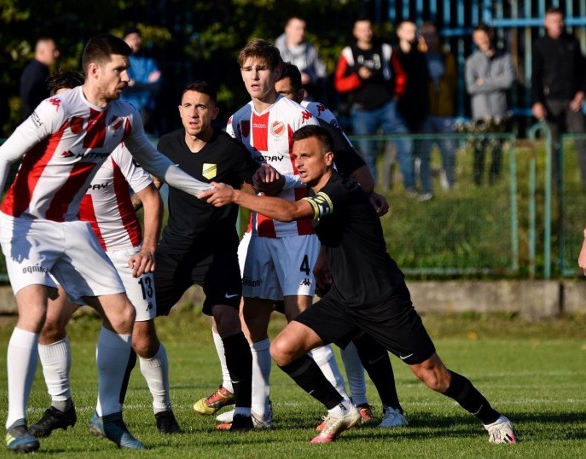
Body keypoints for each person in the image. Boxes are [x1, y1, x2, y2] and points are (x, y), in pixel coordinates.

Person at [200, 124, 517, 445]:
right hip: (344, 301)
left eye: (306, 156)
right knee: (284, 349)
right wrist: (324, 259)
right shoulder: (322, 192)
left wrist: (237, 195)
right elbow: (337, 230)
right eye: (295, 156)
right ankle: (340, 408)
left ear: (328, 158)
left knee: (434, 377)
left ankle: (494, 420)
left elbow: (292, 212)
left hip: (383, 301)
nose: (298, 163)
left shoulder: (341, 190)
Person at [0, 33, 211, 453]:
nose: (127, 78)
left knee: (122, 315)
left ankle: (108, 417)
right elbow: (2, 156)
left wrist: (206, 189)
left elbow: (156, 164)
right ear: (95, 70)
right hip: (24, 222)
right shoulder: (57, 108)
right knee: (35, 313)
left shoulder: (125, 116)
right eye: (120, 70)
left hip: (69, 226)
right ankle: (16, 423)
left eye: (128, 69)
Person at [28, 71, 181, 441]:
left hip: (123, 251)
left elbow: (149, 197)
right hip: (75, 253)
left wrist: (147, 248)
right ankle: (61, 406)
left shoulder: (114, 144)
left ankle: (161, 408)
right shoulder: (42, 152)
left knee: (143, 340)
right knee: (48, 322)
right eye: (61, 104)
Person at [213, 38, 347, 430]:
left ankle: (339, 404)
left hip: (300, 229)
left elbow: (319, 173)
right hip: (260, 229)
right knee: (251, 317)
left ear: (275, 72)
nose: (254, 76)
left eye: (261, 69)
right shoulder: (236, 121)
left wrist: (279, 179)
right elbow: (237, 171)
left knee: (299, 317)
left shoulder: (296, 116)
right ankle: (258, 410)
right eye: (247, 69)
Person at [274, 61, 407, 428]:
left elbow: (355, 169)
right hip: (274, 232)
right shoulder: (248, 120)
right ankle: (251, 407)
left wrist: (366, 194)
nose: (279, 101)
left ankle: (381, 405)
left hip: (317, 229)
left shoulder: (315, 118)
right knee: (252, 316)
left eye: (285, 94)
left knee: (354, 322)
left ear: (300, 96)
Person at [152, 80, 257, 431]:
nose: (193, 113)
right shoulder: (166, 144)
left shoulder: (230, 150)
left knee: (228, 320)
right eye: (187, 106)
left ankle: (244, 411)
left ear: (214, 112)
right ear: (179, 111)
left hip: (218, 251)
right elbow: (151, 187)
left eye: (201, 106)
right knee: (136, 321)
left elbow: (250, 190)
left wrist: (253, 226)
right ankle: (150, 412)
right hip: (173, 251)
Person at [334, 18, 416, 195]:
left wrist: (397, 95)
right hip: (361, 110)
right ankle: (370, 192)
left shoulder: (385, 50)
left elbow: (400, 75)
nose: (366, 32)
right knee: (367, 154)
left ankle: (410, 188)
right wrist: (358, 77)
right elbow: (339, 84)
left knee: (406, 144)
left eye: (368, 28)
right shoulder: (348, 53)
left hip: (387, 107)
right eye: (361, 29)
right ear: (355, 32)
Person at [532, 7, 586, 188]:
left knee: (582, 141)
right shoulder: (540, 45)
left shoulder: (573, 42)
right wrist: (538, 102)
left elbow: (583, 71)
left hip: (573, 102)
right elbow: (536, 77)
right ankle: (555, 187)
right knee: (553, 145)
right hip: (551, 102)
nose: (558, 25)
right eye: (554, 21)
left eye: (561, 20)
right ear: (546, 23)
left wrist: (581, 93)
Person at [465, 23, 515, 186]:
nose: (482, 40)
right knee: (479, 149)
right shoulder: (471, 61)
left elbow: (508, 82)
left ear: (491, 35)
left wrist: (483, 82)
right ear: (474, 39)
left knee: (497, 148)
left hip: (499, 109)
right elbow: (471, 87)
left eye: (484, 36)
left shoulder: (504, 57)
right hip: (480, 111)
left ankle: (494, 180)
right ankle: (478, 182)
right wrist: (496, 80)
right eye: (478, 37)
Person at [395, 20, 432, 200]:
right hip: (399, 110)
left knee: (415, 149)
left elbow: (424, 84)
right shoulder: (394, 55)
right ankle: (402, 187)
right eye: (408, 31)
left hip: (418, 109)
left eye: (414, 31)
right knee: (401, 149)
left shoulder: (419, 55)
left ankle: (412, 184)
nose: (412, 34)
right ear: (400, 33)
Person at [420, 22, 458, 191]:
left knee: (449, 151)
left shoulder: (446, 57)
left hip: (444, 110)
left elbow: (452, 82)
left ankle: (449, 184)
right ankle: (426, 187)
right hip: (425, 111)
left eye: (432, 35)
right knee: (424, 153)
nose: (429, 39)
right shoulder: (418, 57)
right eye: (425, 35)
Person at [275, 17, 327, 100]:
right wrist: (296, 79)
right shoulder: (276, 52)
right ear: (287, 29)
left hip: (308, 99)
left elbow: (322, 74)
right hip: (282, 100)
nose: (301, 32)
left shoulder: (311, 51)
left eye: (303, 29)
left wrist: (311, 79)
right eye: (298, 29)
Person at [121, 27, 161, 133]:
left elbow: (157, 86)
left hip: (147, 111)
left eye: (137, 38)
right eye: (131, 38)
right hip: (126, 110)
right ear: (124, 41)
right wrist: (147, 85)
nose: (135, 41)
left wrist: (135, 84)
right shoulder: (121, 60)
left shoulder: (149, 61)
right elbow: (124, 87)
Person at [19, 37, 58, 119]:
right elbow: (32, 100)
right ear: (42, 51)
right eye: (53, 51)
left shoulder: (37, 70)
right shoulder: (36, 72)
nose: (56, 54)